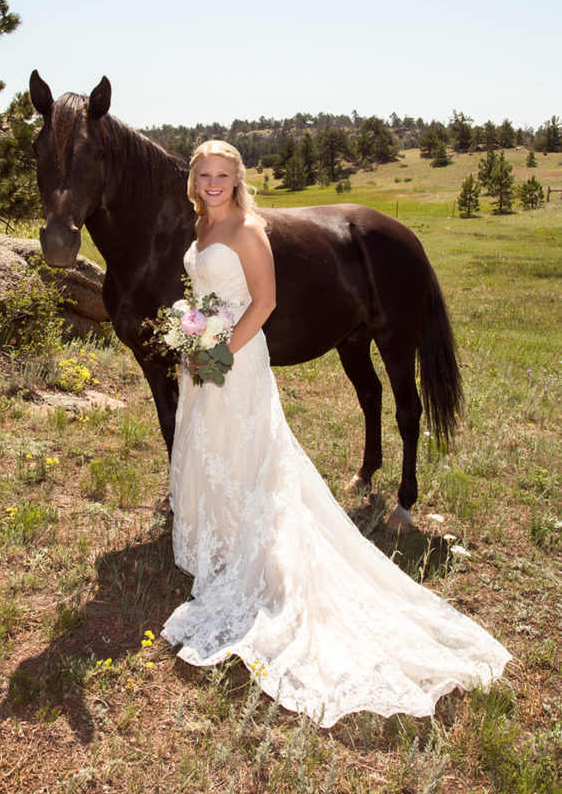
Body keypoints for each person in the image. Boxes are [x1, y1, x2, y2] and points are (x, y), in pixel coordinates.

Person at [161, 140, 510, 727]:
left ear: (237, 178)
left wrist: (217, 346)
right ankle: (218, 538)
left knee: (249, 449)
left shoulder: (248, 228)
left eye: (223, 174)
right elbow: (205, 295)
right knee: (214, 448)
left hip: (234, 357)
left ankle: (284, 546)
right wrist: (190, 330)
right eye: (204, 173)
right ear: (193, 179)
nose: (213, 182)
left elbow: (265, 302)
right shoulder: (199, 223)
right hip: (206, 358)